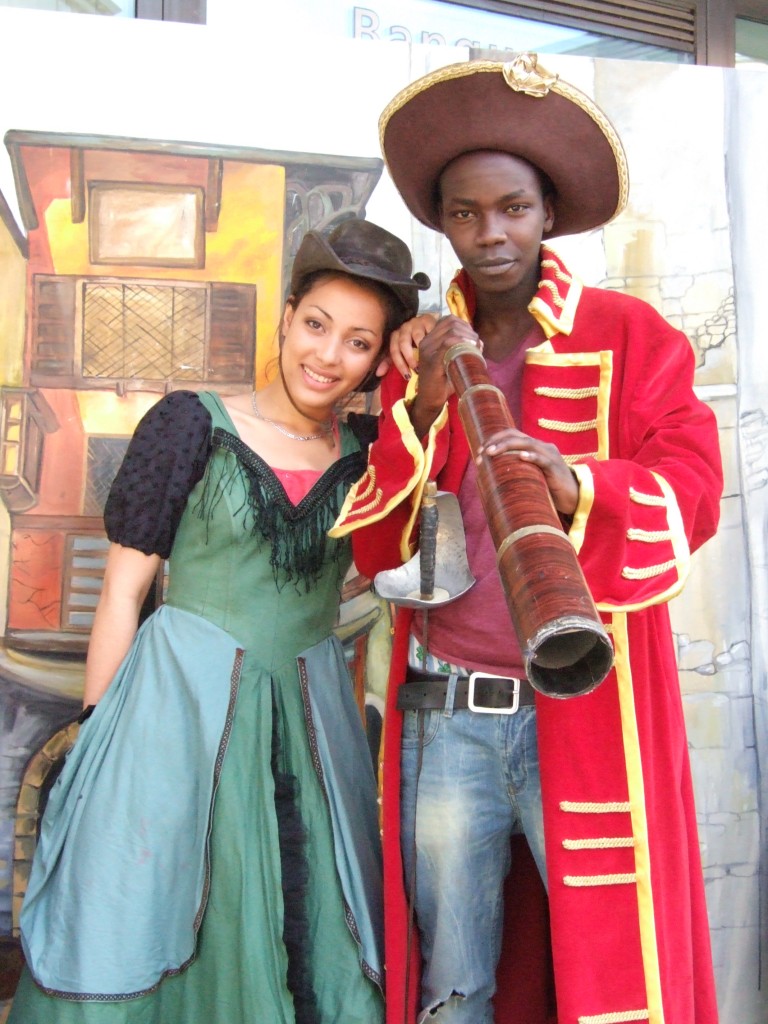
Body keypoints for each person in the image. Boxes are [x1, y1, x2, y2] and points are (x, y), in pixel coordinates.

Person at [330, 56, 723, 1024]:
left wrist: (581, 483)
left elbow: (696, 490)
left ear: (548, 213)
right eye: (466, 213)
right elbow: (379, 557)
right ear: (444, 223)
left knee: (615, 981)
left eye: (513, 208)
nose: (491, 233)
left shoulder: (631, 333)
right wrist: (421, 413)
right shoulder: (422, 353)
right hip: (448, 715)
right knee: (454, 986)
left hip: (587, 709)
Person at [9, 218, 429, 1024]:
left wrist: (424, 351)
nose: (326, 355)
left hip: (311, 723)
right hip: (175, 716)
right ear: (286, 318)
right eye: (315, 325)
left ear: (379, 360)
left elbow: (417, 513)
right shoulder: (190, 424)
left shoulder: (376, 452)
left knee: (323, 935)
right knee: (147, 908)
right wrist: (97, 737)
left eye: (358, 342)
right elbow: (124, 594)